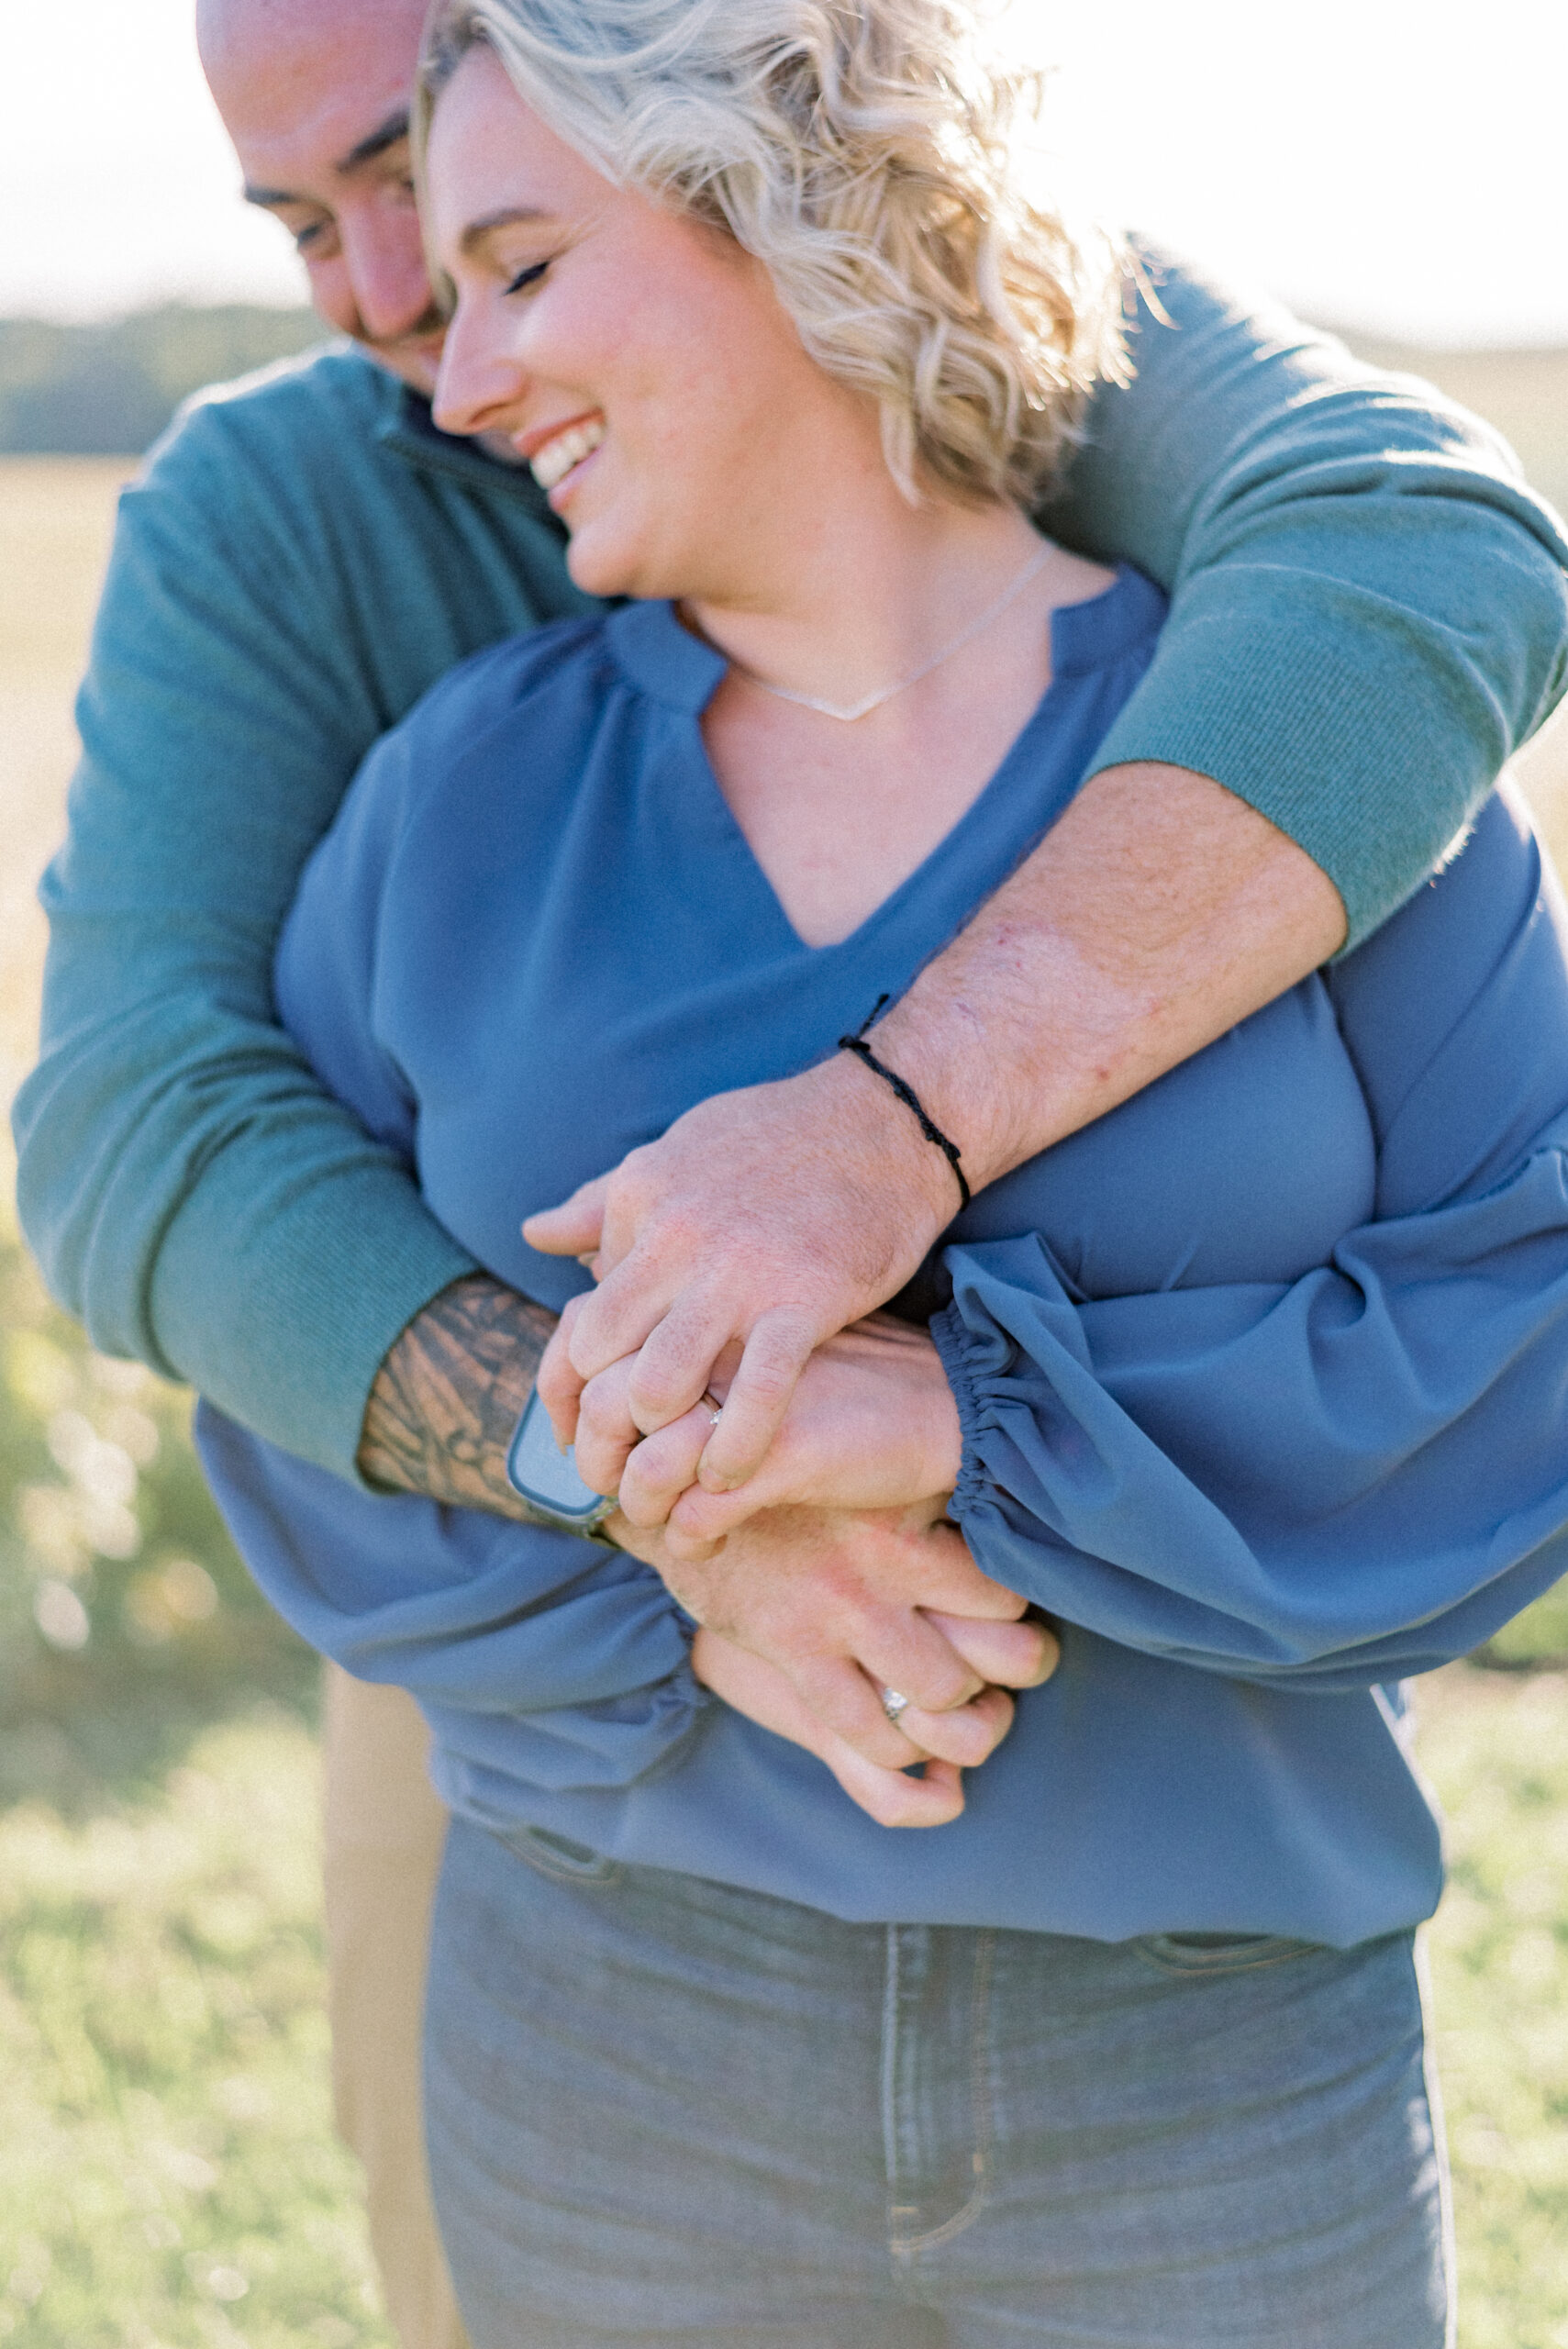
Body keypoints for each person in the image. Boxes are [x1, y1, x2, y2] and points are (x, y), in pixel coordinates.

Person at [12, 0, 1566, 2335]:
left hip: (1218, 2058)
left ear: (767, 183)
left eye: (490, 244)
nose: (400, 326)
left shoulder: (1268, 755)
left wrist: (942, 1402)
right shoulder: (427, 750)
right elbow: (171, 1170)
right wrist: (665, 1469)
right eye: (316, 227)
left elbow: (1523, 1325)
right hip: (610, 2015)